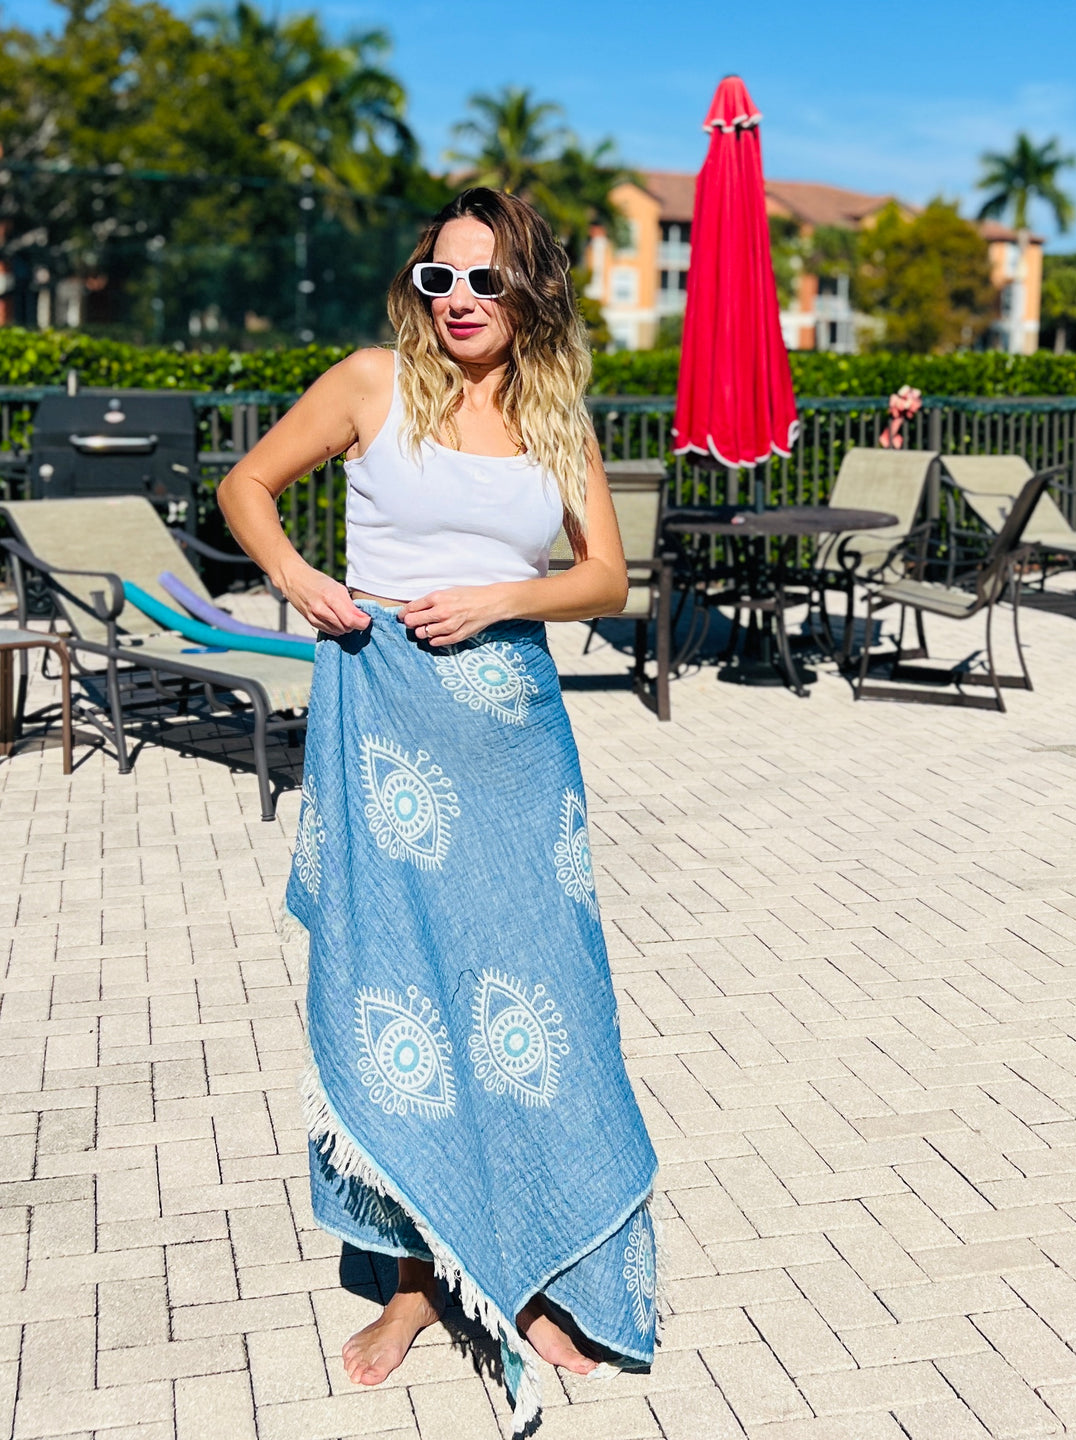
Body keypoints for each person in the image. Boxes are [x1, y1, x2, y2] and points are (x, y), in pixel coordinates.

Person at [218, 187, 659, 1432]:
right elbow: (248, 486)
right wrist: (301, 576)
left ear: (530, 294)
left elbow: (608, 581)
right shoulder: (370, 384)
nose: (460, 300)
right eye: (440, 279)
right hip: (385, 740)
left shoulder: (556, 412)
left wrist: (500, 600)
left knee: (542, 1005)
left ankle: (536, 1275)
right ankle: (416, 1284)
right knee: (404, 996)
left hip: (517, 749)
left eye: (486, 279)